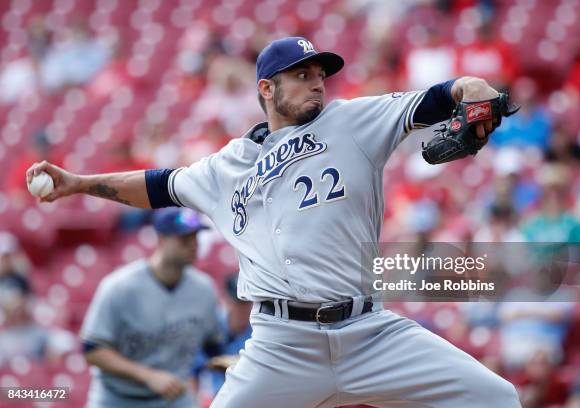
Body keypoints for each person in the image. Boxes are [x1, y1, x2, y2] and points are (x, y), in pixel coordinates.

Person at [28, 37, 519, 407]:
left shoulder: (350, 122)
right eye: (301, 75)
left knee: (497, 398)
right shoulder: (226, 165)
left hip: (371, 332)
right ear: (266, 88)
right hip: (282, 346)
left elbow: (436, 98)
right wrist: (79, 182)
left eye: (319, 74)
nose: (316, 82)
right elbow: (158, 185)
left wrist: (469, 88)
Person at [79, 208, 223, 408]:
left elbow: (212, 347)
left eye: (196, 237)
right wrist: (147, 375)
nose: (193, 245)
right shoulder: (120, 286)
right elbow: (92, 350)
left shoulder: (204, 289)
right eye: (184, 238)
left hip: (174, 398)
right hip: (118, 399)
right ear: (162, 239)